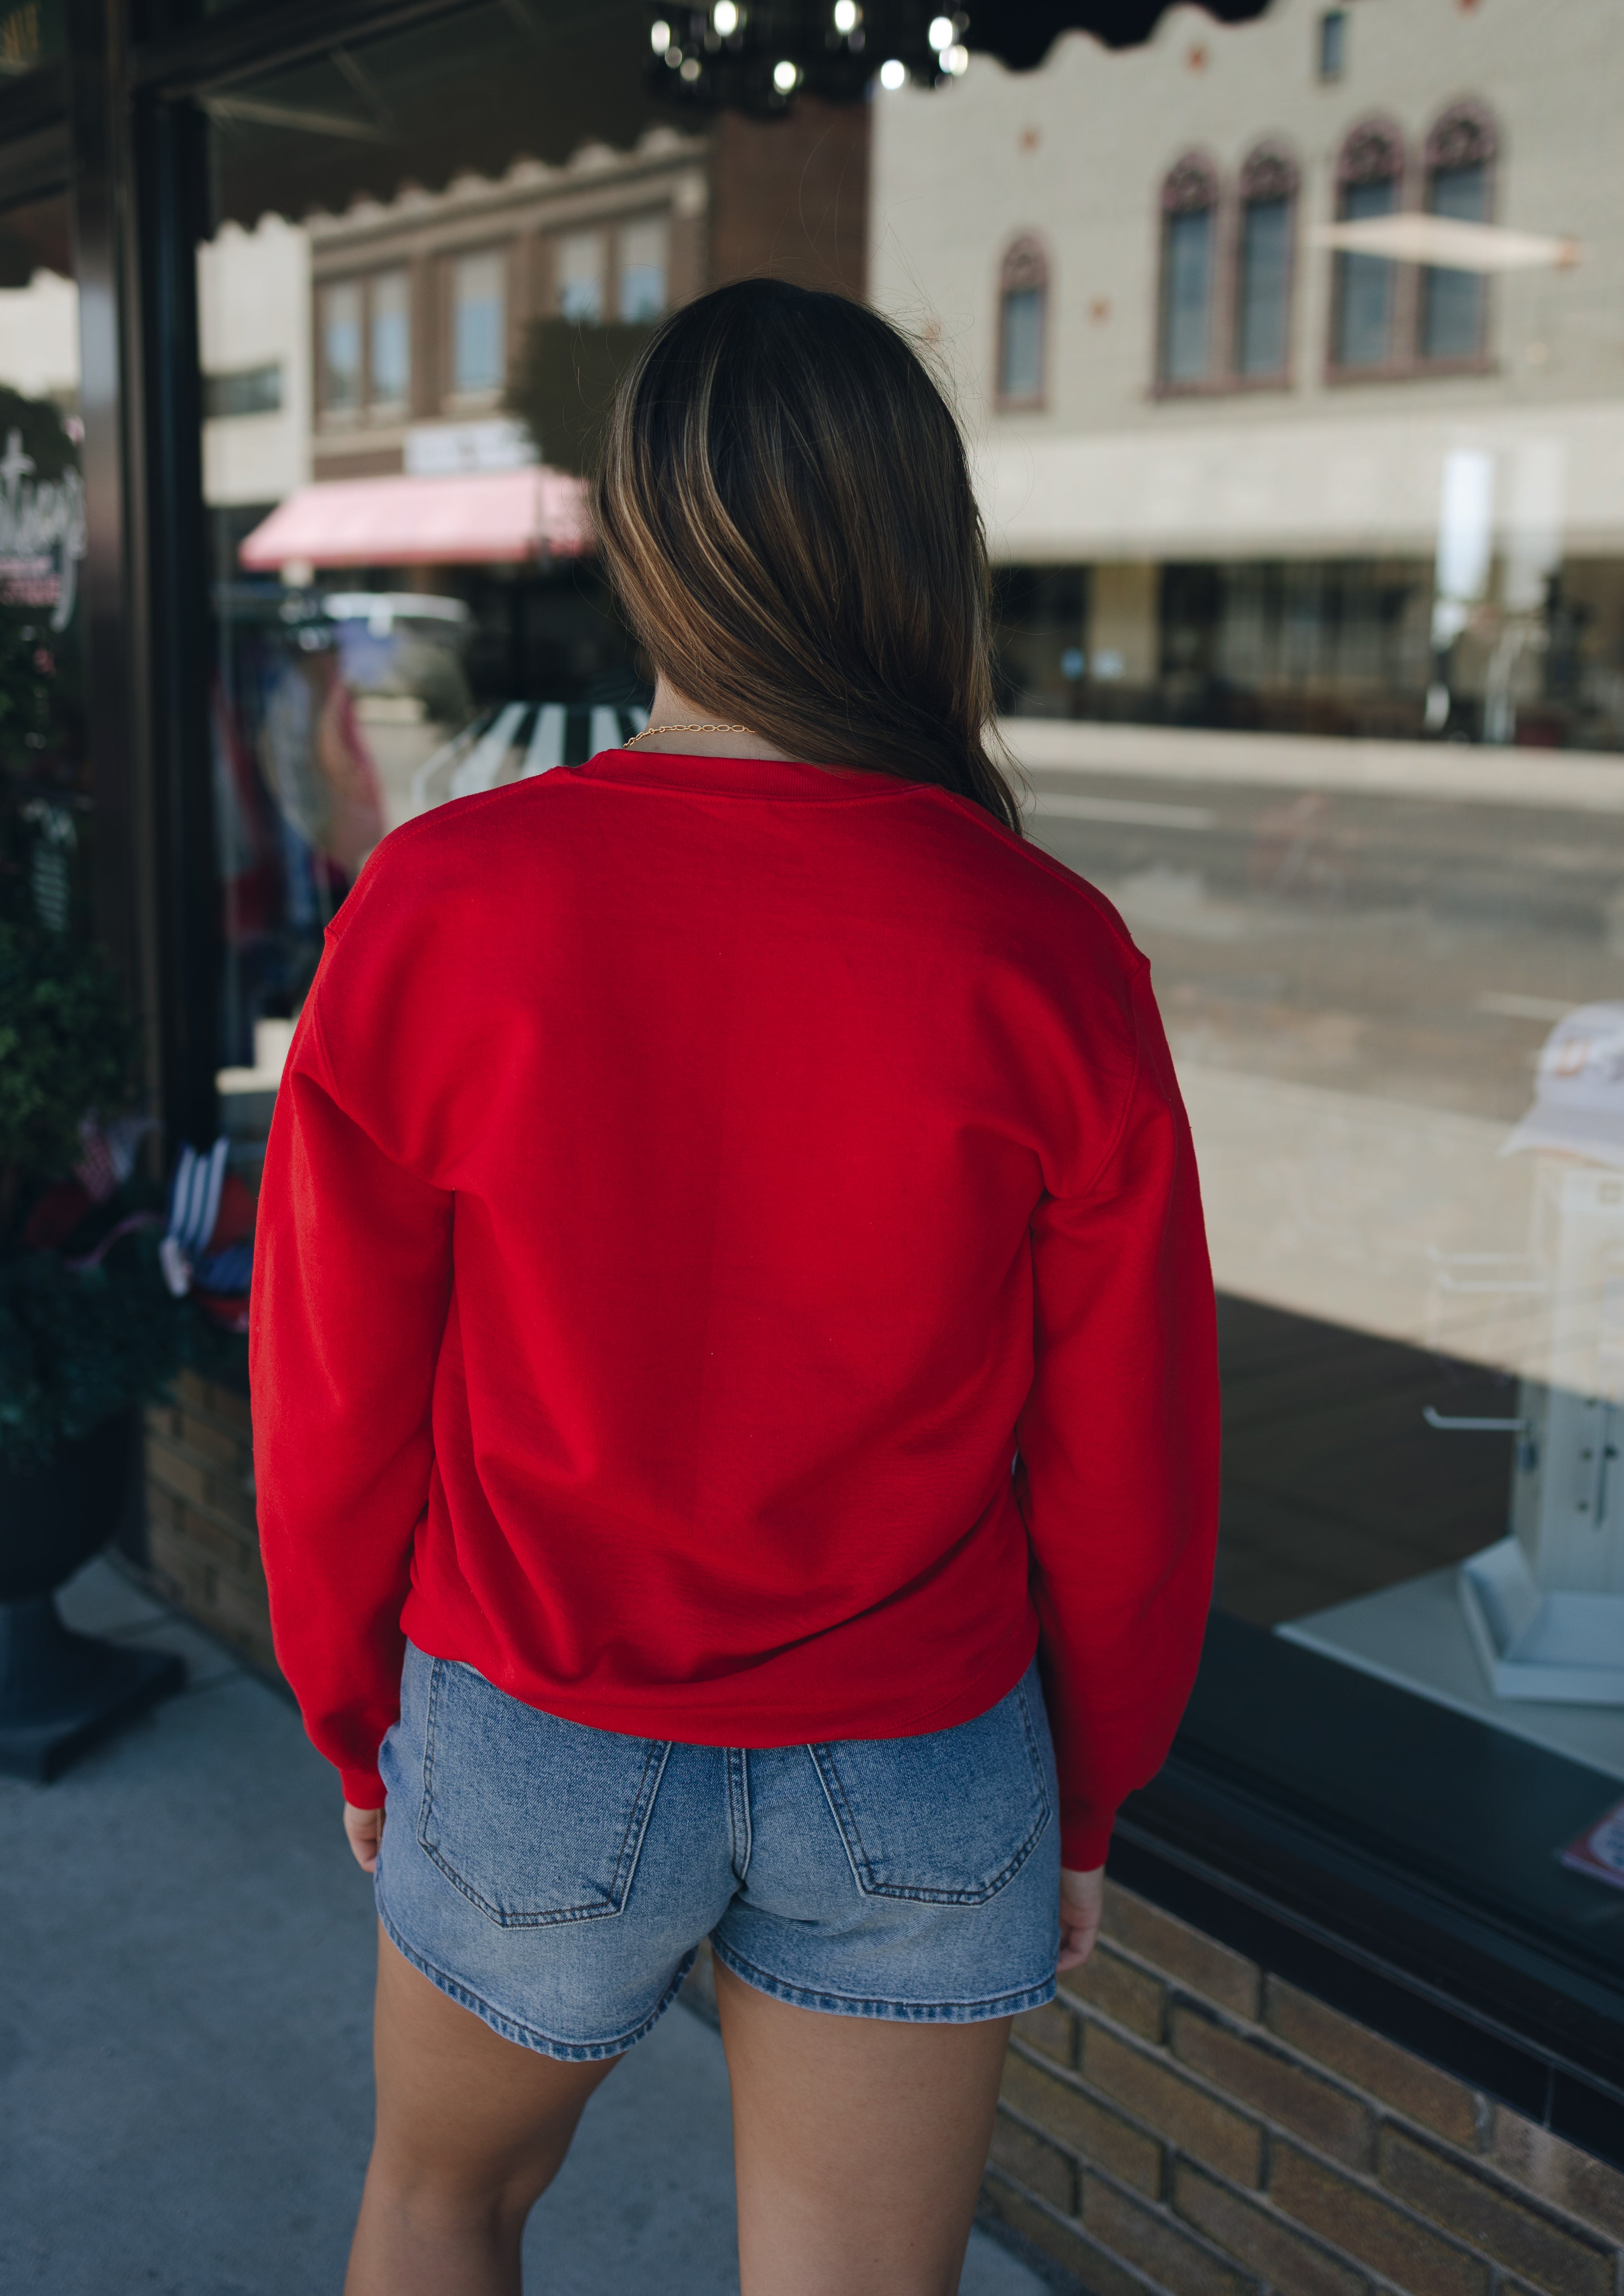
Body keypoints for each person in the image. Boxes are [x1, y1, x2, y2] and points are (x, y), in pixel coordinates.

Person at [251, 278, 1220, 2296]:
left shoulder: (444, 903)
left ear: (636, 551)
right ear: (921, 558)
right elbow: (1126, 1464)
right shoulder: (1041, 950)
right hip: (920, 1754)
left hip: (533, 1724)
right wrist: (1087, 1785)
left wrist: (358, 1721)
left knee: (442, 2208)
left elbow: (331, 1394)